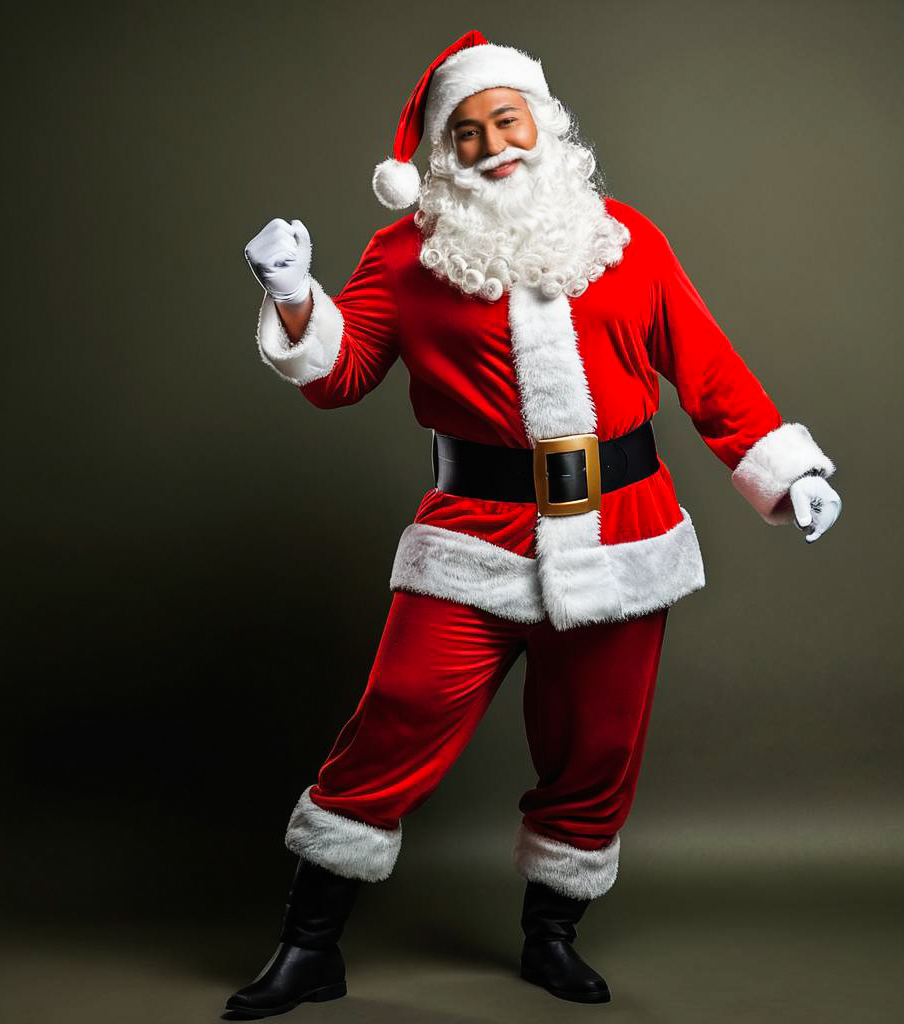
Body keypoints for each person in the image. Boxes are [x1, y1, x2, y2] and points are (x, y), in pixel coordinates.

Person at [224, 29, 842, 1020]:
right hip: (474, 532)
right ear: (439, 158)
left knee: (597, 746)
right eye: (464, 133)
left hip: (624, 530)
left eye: (506, 119)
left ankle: (550, 939)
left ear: (542, 124)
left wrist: (784, 470)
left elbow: (708, 369)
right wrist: (295, 299)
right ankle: (308, 945)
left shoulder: (627, 238)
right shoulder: (405, 254)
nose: (492, 144)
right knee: (397, 720)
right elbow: (339, 378)